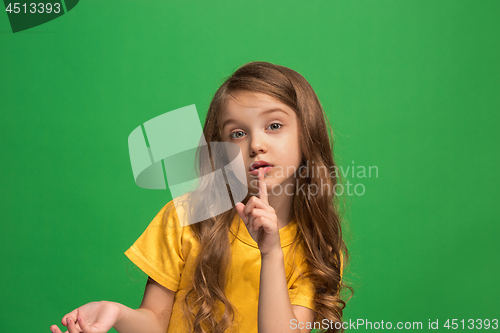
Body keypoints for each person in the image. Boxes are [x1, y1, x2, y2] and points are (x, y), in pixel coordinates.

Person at [49, 61, 352, 333]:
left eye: (274, 126)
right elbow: (155, 321)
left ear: (307, 134)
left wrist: (271, 254)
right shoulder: (184, 218)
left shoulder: (316, 245)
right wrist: (116, 313)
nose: (256, 144)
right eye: (237, 133)